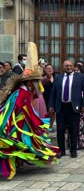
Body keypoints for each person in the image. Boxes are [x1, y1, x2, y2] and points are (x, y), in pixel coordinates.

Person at [0, 42, 59, 179]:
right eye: (35, 82)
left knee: (21, 143)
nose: (37, 85)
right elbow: (22, 110)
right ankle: (9, 168)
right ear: (29, 82)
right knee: (12, 143)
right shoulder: (22, 93)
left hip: (20, 123)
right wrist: (38, 122)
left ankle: (18, 163)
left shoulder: (23, 91)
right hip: (14, 124)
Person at [48, 60, 84, 158]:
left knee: (73, 130)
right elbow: (53, 93)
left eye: (70, 65)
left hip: (74, 107)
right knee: (60, 130)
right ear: (63, 67)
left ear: (73, 66)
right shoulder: (58, 78)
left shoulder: (81, 77)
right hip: (61, 107)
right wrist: (51, 106)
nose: (69, 67)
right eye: (66, 66)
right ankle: (61, 151)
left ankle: (73, 150)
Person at [42, 64, 55, 131]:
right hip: (45, 97)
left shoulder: (56, 77)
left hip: (53, 97)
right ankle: (46, 125)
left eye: (51, 68)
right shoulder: (43, 78)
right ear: (45, 70)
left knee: (52, 112)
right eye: (48, 68)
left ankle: (51, 125)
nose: (50, 70)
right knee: (46, 112)